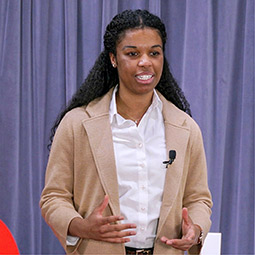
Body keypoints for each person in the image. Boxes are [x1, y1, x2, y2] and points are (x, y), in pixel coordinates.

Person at [40, 9, 212, 255]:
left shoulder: (185, 128)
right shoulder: (78, 123)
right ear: (113, 58)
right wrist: (81, 227)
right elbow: (54, 197)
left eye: (154, 53)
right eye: (132, 53)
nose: (145, 62)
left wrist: (195, 229)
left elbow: (198, 200)